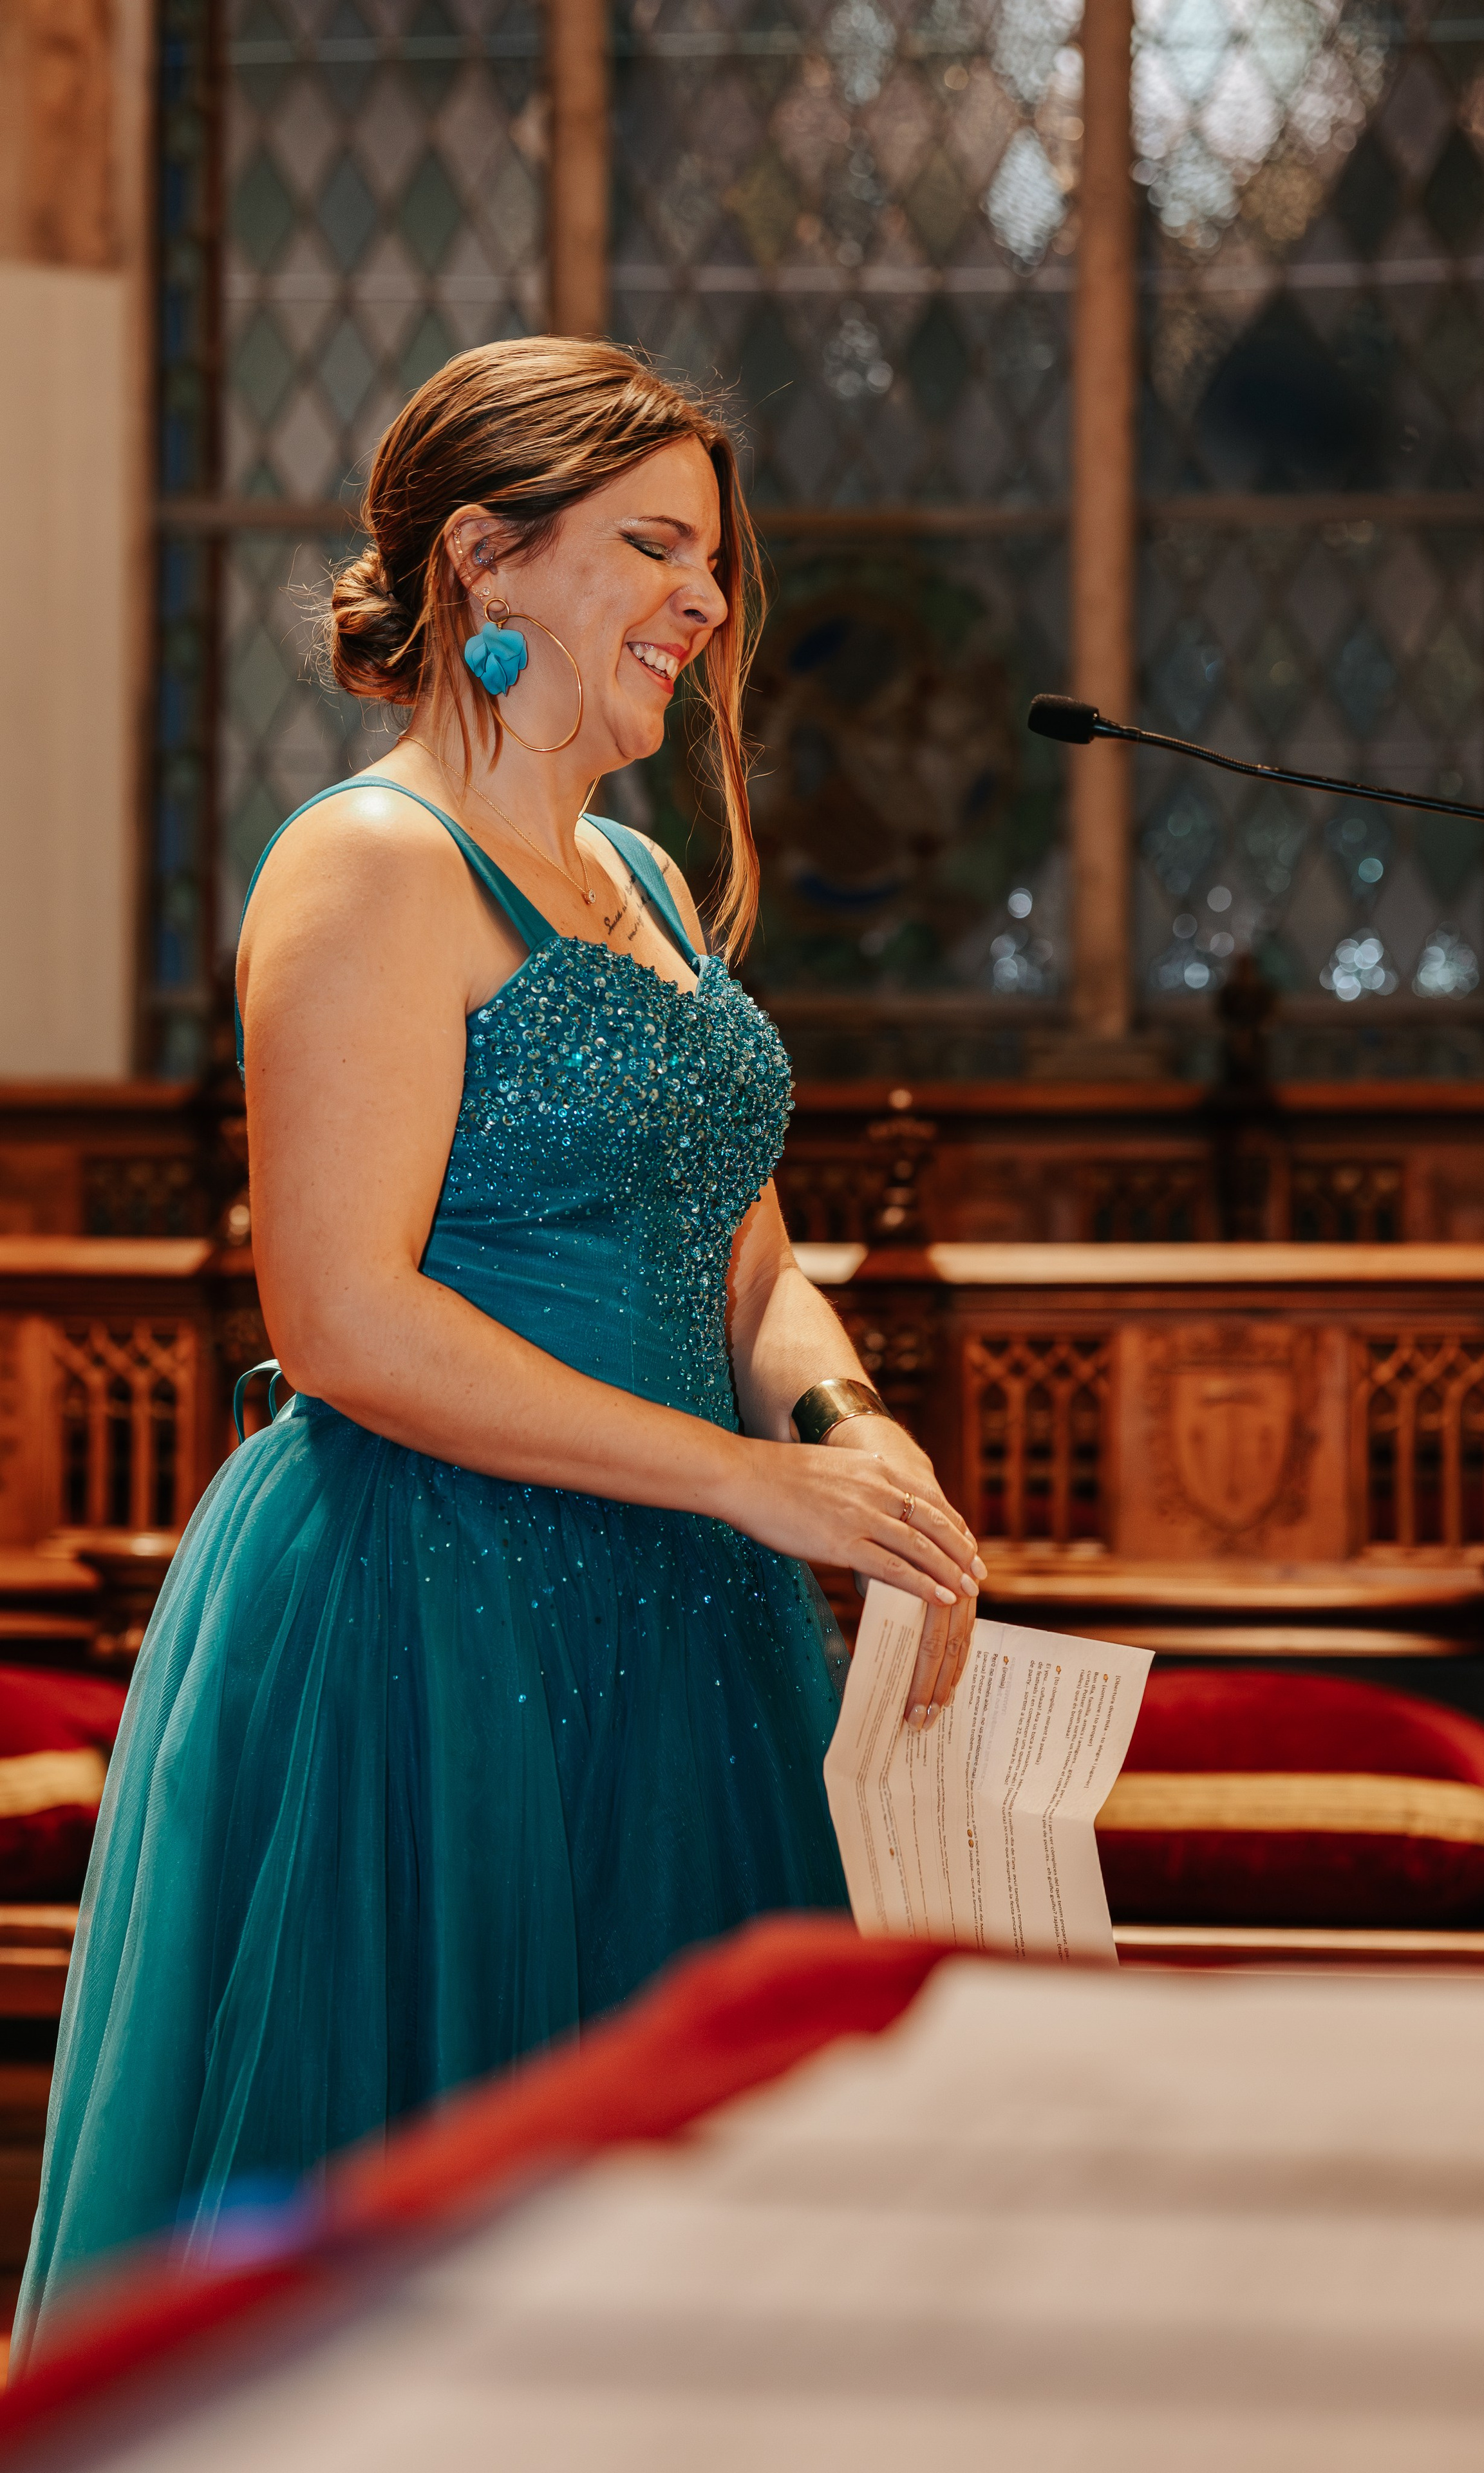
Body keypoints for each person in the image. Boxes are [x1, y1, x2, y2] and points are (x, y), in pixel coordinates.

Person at [13, 338, 982, 2364]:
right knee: (431, 2233)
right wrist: (754, 1478)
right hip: (429, 1606)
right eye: (652, 548)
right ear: (485, 563)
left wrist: (846, 1427)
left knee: (677, 2235)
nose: (706, 605)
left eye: (712, 561)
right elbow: (345, 1320)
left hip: (680, 1606)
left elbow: (744, 1257)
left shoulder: (633, 875)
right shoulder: (366, 864)